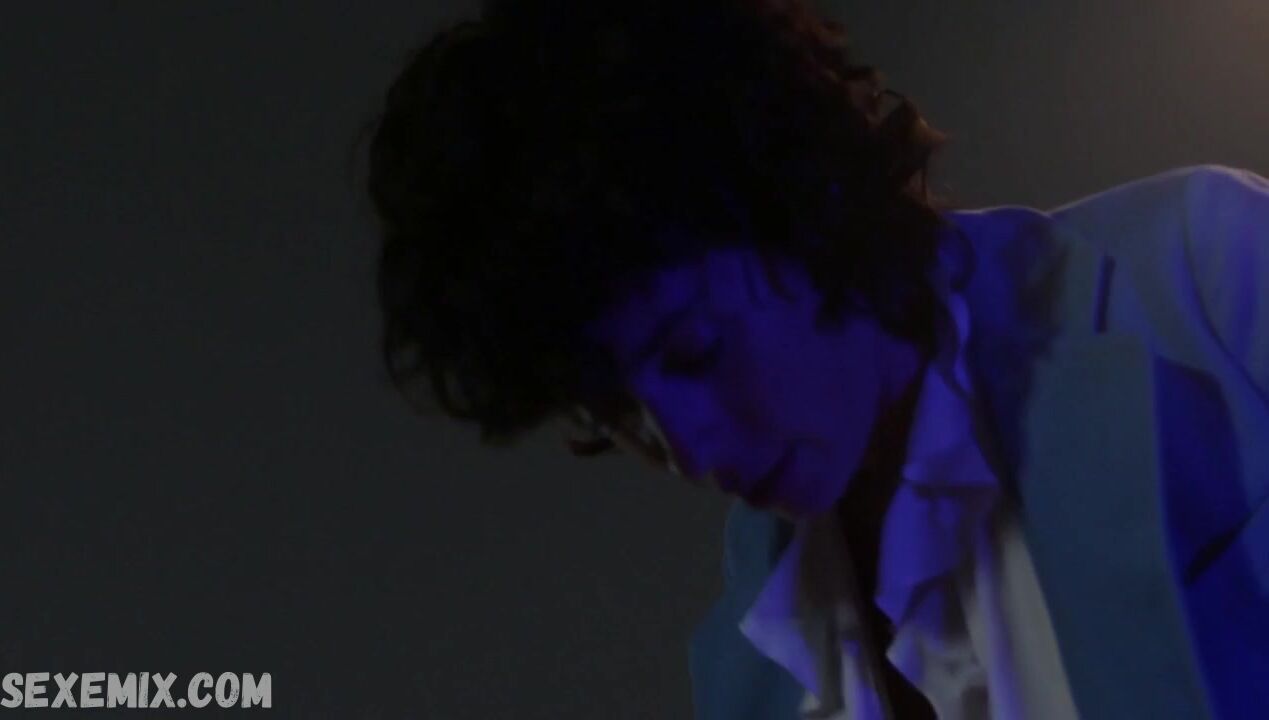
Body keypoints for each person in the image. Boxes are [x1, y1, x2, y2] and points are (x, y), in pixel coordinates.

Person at [359, 0, 1269, 717]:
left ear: (798, 206)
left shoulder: (1211, 276)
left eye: (695, 348)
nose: (689, 445)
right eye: (619, 416)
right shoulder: (748, 673)